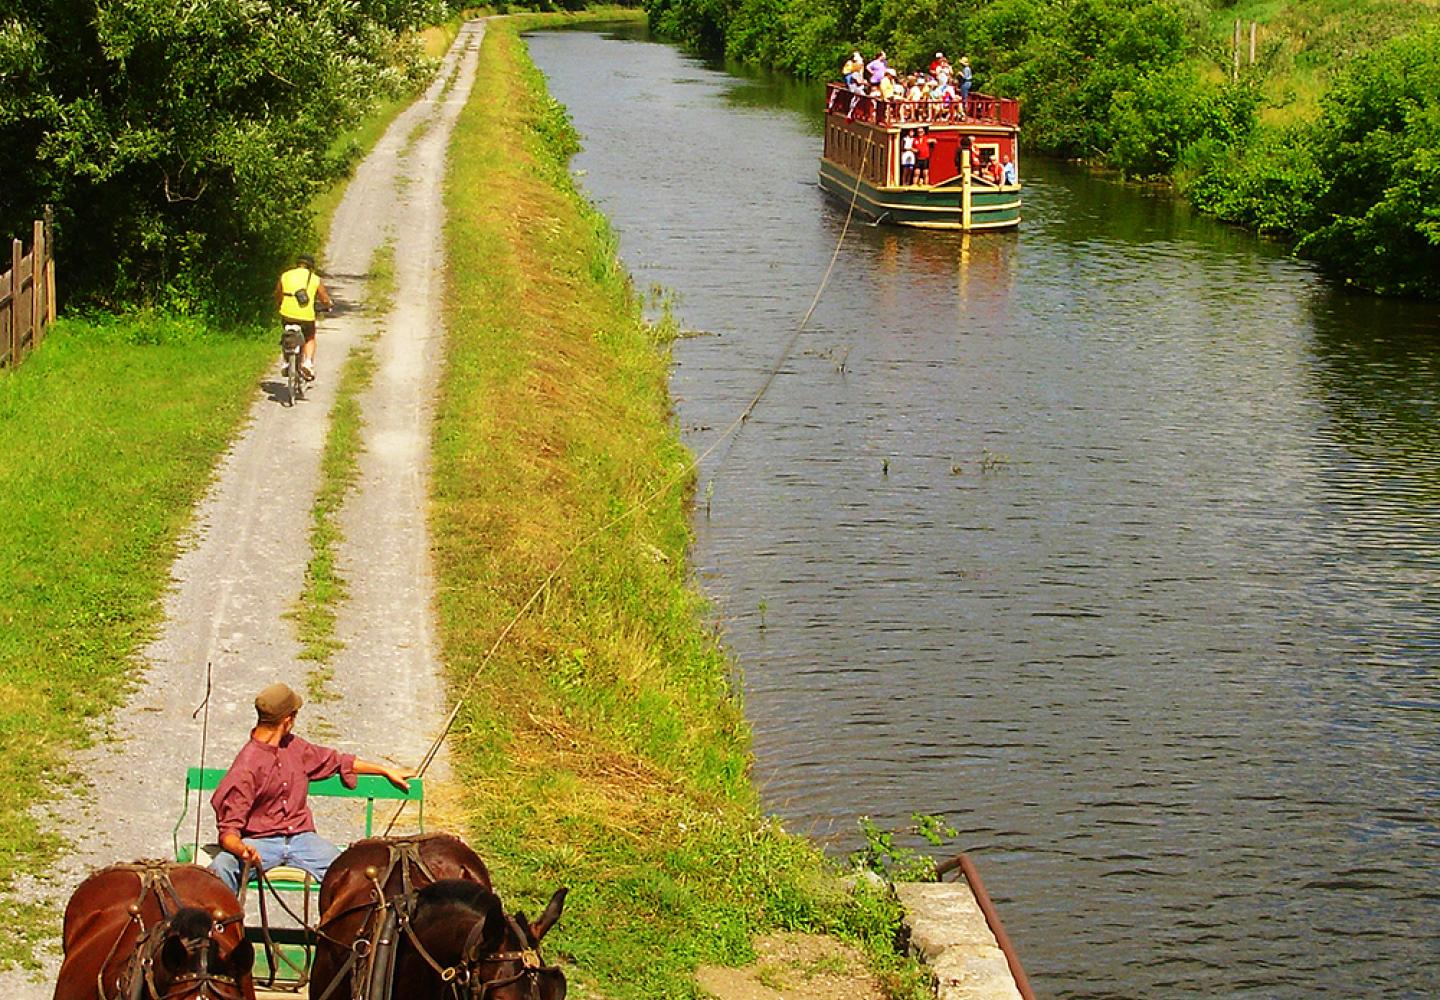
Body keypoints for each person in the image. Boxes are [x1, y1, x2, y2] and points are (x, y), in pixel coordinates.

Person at [208, 683, 410, 893]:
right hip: (260, 842)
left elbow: (337, 761)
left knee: (357, 872)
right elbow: (228, 831)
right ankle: (219, 926)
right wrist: (241, 849)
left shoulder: (294, 747)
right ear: (288, 720)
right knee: (221, 868)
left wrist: (384, 770)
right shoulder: (246, 766)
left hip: (303, 840)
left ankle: (344, 924)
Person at [274, 254, 333, 381]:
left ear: (297, 264)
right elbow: (323, 297)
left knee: (287, 335)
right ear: (311, 266)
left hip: (287, 314)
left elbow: (278, 293)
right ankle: (307, 363)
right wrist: (328, 305)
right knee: (309, 337)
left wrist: (279, 305)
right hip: (306, 316)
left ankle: (286, 362)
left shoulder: (286, 275)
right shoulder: (315, 279)